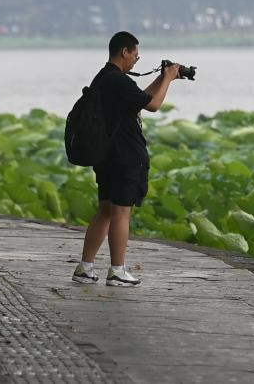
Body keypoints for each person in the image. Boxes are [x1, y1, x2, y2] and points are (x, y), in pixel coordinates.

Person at [72, 31, 180, 287]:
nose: (135, 61)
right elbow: (153, 106)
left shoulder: (106, 78)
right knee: (122, 212)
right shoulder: (118, 81)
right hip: (125, 157)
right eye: (135, 56)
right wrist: (169, 79)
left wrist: (162, 78)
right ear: (125, 52)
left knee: (106, 211)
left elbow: (141, 100)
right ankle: (117, 271)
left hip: (107, 156)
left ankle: (85, 268)